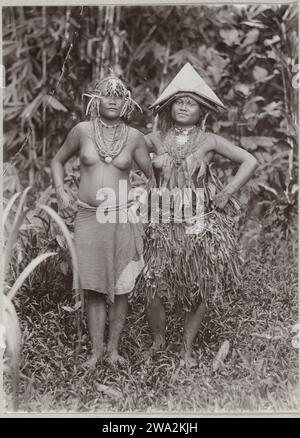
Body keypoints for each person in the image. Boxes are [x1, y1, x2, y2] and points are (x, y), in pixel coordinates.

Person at [142, 63, 258, 366]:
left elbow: (249, 161)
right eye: (178, 101)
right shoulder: (154, 138)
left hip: (199, 224)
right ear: (168, 106)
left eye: (190, 102)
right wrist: (153, 162)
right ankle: (158, 340)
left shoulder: (209, 140)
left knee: (199, 285)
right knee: (152, 283)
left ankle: (186, 348)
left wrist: (227, 191)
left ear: (201, 109)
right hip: (160, 223)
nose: (183, 106)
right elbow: (124, 156)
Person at [51, 73, 153, 368]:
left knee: (122, 288)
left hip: (121, 217)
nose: (112, 98)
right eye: (106, 94)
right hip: (88, 216)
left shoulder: (134, 137)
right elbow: (57, 161)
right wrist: (61, 192)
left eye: (118, 94)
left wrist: (141, 201)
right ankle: (95, 353)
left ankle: (113, 351)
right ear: (95, 100)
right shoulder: (82, 131)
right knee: (93, 287)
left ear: (127, 102)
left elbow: (152, 177)